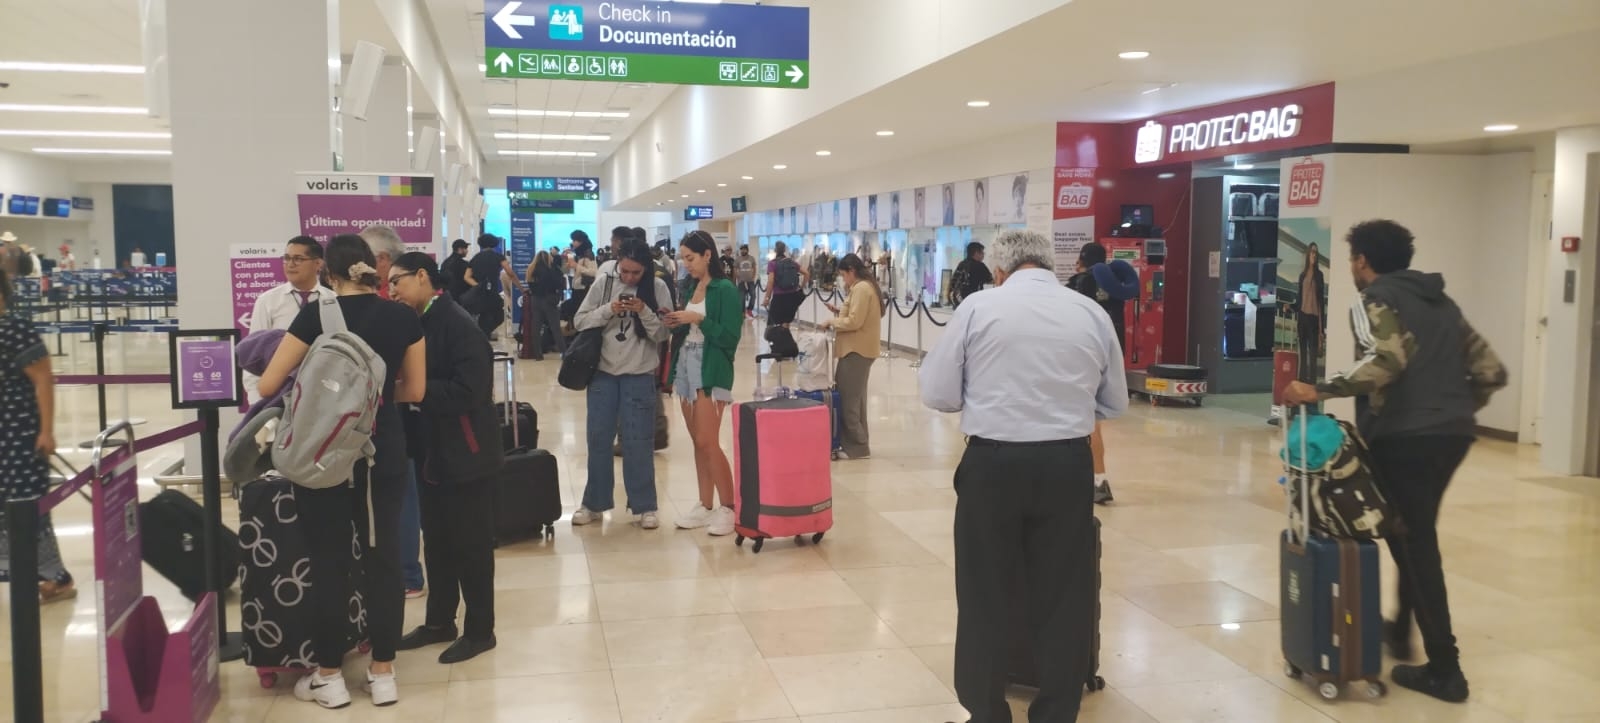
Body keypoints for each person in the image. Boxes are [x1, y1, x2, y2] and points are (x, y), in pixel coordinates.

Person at [1284, 219, 1506, 704]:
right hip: (1452, 435)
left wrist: (1318, 388)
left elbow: (1386, 362)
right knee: (1408, 529)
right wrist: (1456, 412)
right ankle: (1400, 633)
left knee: (1413, 542)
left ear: (1362, 261)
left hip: (1406, 437)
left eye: (1351, 260)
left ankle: (1446, 671)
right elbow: (1491, 371)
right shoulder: (1442, 303)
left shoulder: (1374, 299)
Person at [919, 229, 1127, 723]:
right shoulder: (1090, 312)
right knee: (1064, 592)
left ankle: (988, 711)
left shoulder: (977, 308)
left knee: (983, 590)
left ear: (998, 270)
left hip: (993, 464)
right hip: (1066, 465)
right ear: (1048, 265)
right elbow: (1114, 401)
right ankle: (1056, 711)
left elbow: (939, 394)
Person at [258, 234, 426, 709]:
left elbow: (269, 382)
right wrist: (366, 402)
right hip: (382, 452)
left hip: (321, 455)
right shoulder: (402, 318)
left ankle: (329, 676)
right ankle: (383, 673)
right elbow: (414, 391)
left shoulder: (314, 316)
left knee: (328, 561)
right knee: (384, 558)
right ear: (373, 267)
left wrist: (324, 400)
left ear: (328, 275)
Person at [387, 253, 504, 665]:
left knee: (470, 545)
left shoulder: (457, 324)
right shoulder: (418, 323)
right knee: (436, 541)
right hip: (430, 451)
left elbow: (470, 392)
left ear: (422, 277)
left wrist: (414, 391)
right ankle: (439, 621)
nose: (393, 291)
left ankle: (480, 630)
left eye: (397, 281)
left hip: (466, 452)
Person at [570, 238, 674, 530]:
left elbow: (663, 334)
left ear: (646, 269)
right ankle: (594, 502)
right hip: (602, 373)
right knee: (598, 438)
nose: (628, 278)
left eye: (636, 273)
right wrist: (608, 310)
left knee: (638, 440)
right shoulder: (604, 283)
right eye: (624, 271)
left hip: (640, 374)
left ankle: (645, 506)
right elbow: (580, 321)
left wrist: (644, 310)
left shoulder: (658, 288)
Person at [0, 267, 74, 604]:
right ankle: (30, 572)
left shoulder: (17, 330)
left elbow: (44, 380)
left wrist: (46, 430)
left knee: (27, 506)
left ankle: (54, 576)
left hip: (19, 435)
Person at [362, 224, 428, 598]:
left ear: (381, 261)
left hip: (399, 416)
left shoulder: (398, 309)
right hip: (397, 412)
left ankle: (406, 574)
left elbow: (414, 379)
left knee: (403, 495)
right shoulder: (392, 306)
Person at [666, 231, 744, 536]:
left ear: (707, 255)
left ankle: (730, 506)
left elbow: (729, 337)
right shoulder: (693, 286)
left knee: (709, 441)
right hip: (686, 364)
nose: (686, 264)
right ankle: (705, 503)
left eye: (691, 258)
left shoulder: (724, 289)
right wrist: (677, 322)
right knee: (698, 441)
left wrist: (697, 320)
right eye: (683, 258)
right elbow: (689, 328)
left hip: (713, 368)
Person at [1067, 242, 1138, 505]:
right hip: (1110, 352)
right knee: (1094, 418)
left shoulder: (1079, 282)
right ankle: (1098, 478)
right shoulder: (1117, 282)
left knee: (1087, 420)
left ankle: (1096, 480)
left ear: (1082, 259)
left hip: (1081, 353)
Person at [244, 236, 329, 403]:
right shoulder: (267, 301)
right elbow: (254, 356)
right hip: (277, 396)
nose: (290, 264)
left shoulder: (333, 300)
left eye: (298, 259)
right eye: (287, 258)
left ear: (318, 264)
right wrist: (256, 401)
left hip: (323, 395)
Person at [819, 254, 882, 460]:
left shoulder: (862, 288)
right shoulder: (861, 288)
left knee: (848, 402)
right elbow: (857, 316)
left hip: (856, 351)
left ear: (851, 271)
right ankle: (859, 445)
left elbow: (855, 322)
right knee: (857, 400)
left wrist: (832, 322)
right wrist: (839, 312)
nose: (843, 280)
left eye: (843, 275)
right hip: (857, 349)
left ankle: (858, 445)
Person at [521, 251, 567, 361]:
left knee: (535, 327)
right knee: (555, 328)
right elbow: (560, 284)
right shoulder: (553, 269)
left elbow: (530, 283)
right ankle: (564, 353)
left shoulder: (531, 269)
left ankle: (538, 354)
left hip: (535, 299)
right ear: (549, 258)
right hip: (550, 300)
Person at [1297, 243, 1327, 382]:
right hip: (1302, 318)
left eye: (1316, 252)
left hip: (1314, 320)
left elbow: (1321, 302)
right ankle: (1302, 381)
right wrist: (1290, 307)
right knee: (1303, 355)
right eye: (1312, 252)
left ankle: (1312, 387)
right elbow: (1298, 299)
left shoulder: (1319, 276)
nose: (1314, 254)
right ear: (1308, 254)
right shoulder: (1302, 276)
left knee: (1313, 356)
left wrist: (1322, 328)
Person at [763, 241, 807, 328]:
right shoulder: (792, 262)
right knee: (786, 324)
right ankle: (785, 339)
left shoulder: (772, 263)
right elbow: (807, 273)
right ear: (784, 250)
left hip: (779, 297)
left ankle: (776, 341)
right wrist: (801, 287)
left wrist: (767, 298)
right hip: (791, 296)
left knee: (772, 325)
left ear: (775, 250)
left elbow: (771, 282)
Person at [948, 242, 993, 308]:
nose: (983, 255)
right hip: (971, 302)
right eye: (982, 253)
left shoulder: (962, 264)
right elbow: (991, 280)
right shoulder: (980, 266)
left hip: (958, 301)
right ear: (976, 253)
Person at [736, 245, 759, 316]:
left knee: (753, 295)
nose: (743, 251)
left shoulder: (751, 258)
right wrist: (737, 277)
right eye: (741, 249)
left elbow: (754, 268)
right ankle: (742, 312)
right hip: (741, 282)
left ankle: (749, 309)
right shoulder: (738, 259)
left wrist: (753, 277)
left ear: (747, 250)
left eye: (744, 249)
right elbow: (735, 269)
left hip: (750, 281)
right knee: (742, 297)